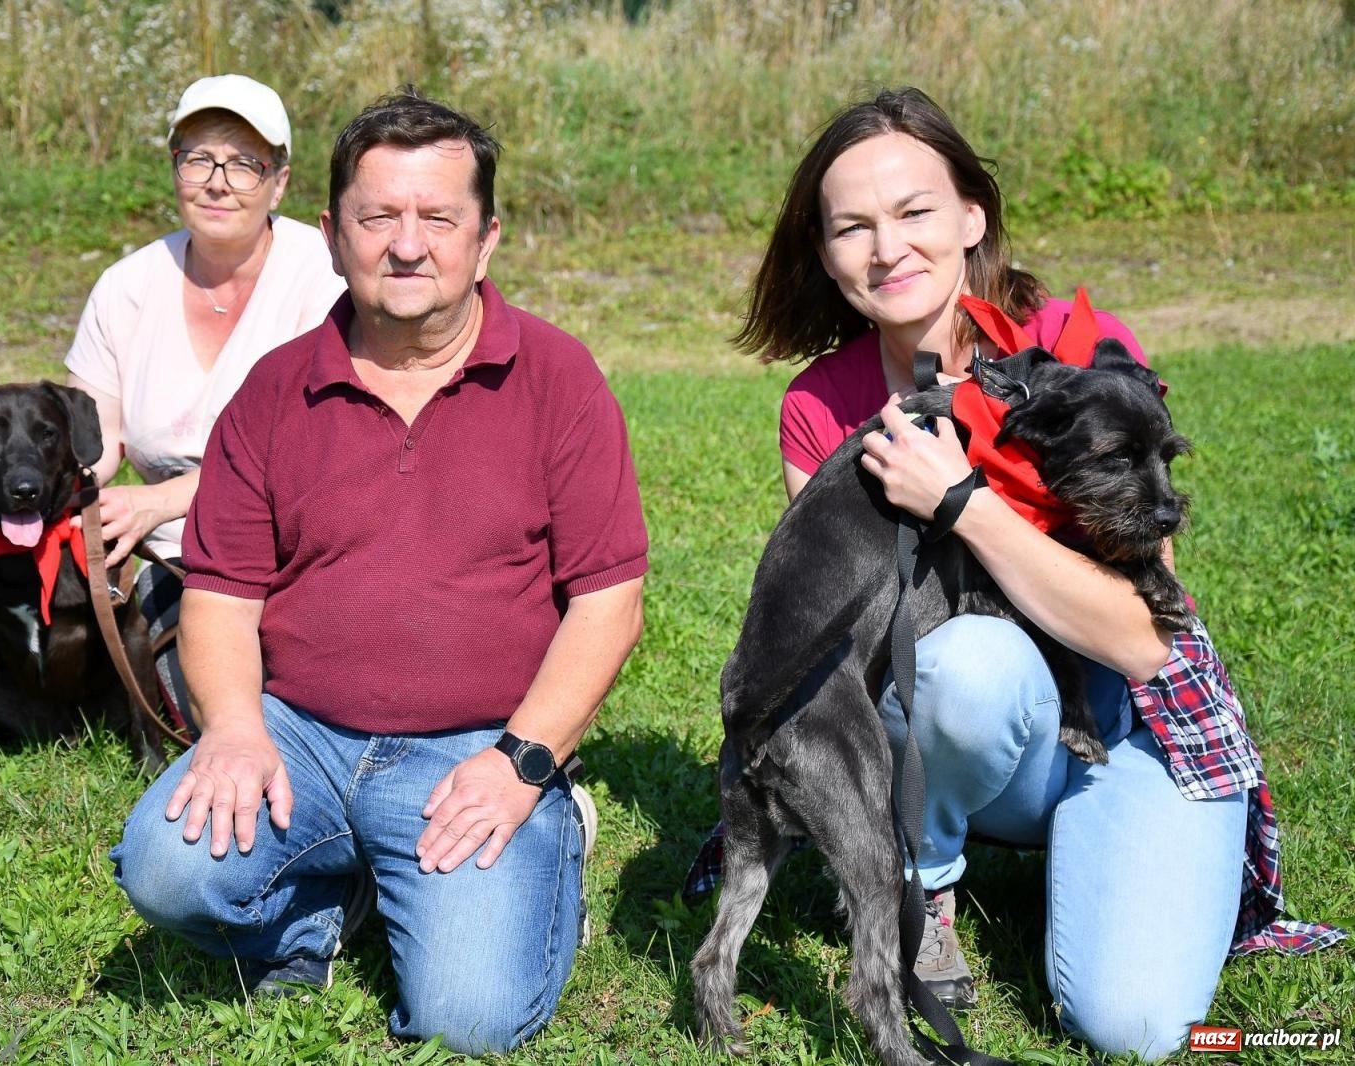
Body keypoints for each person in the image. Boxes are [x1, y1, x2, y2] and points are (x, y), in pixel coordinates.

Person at [699, 87, 1342, 1059]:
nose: (886, 247)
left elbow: (1139, 637)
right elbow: (845, 640)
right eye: (851, 226)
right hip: (966, 724)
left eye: (913, 211)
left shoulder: (1082, 363)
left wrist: (961, 501)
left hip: (1127, 716)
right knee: (968, 666)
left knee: (1142, 1028)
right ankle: (934, 880)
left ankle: (1150, 909)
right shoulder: (822, 405)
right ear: (823, 252)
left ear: (972, 216)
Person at [109, 88, 648, 1055]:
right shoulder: (275, 390)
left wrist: (525, 762)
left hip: (478, 746)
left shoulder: (561, 380)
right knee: (165, 870)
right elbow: (223, 594)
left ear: (485, 238)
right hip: (300, 734)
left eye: (439, 218)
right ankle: (321, 915)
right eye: (378, 217)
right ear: (330, 233)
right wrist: (233, 730)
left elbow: (608, 602)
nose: (408, 245)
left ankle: (552, 828)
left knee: (467, 1019)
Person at [65, 74, 346, 732]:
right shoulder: (124, 288)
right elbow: (93, 446)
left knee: (322, 693)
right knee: (220, 708)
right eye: (199, 157)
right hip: (181, 556)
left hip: (309, 542)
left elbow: (316, 453)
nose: (218, 181)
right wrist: (57, 494)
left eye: (245, 163)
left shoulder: (325, 276)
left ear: (278, 181)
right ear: (176, 169)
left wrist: (157, 500)